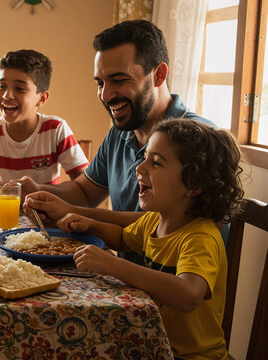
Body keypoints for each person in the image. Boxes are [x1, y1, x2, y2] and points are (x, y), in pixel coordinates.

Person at [22, 20, 217, 264]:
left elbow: (170, 224)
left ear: (159, 74)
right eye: (100, 83)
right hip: (122, 280)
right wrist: (38, 191)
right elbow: (84, 191)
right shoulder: (120, 131)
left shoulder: (201, 139)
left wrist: (72, 212)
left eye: (119, 80)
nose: (105, 95)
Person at [57, 119, 243, 359]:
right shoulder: (155, 220)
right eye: (145, 158)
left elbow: (188, 294)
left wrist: (113, 265)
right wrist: (90, 225)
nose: (140, 168)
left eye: (155, 162)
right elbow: (123, 239)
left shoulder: (200, 237)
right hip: (152, 344)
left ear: (193, 185)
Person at [0, 49, 89, 192]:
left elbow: (84, 190)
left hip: (43, 213)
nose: (7, 95)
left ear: (42, 98)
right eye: (2, 86)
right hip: (0, 213)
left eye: (20, 88)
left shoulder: (55, 129)